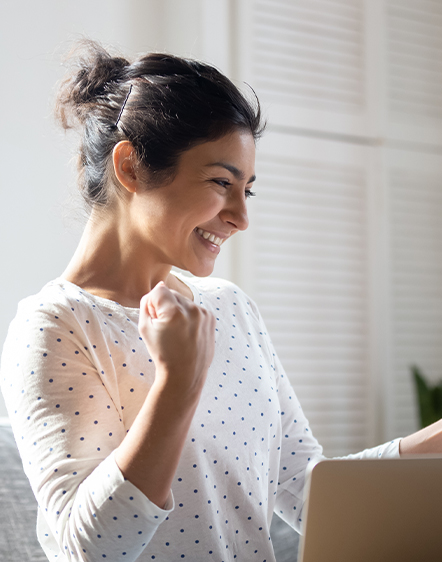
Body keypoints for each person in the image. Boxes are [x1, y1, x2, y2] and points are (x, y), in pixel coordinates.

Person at [1, 40, 441, 562]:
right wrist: (177, 381)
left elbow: (306, 489)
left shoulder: (229, 307)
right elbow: (90, 549)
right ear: (131, 167)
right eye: (220, 182)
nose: (240, 216)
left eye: (246, 190)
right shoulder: (55, 325)